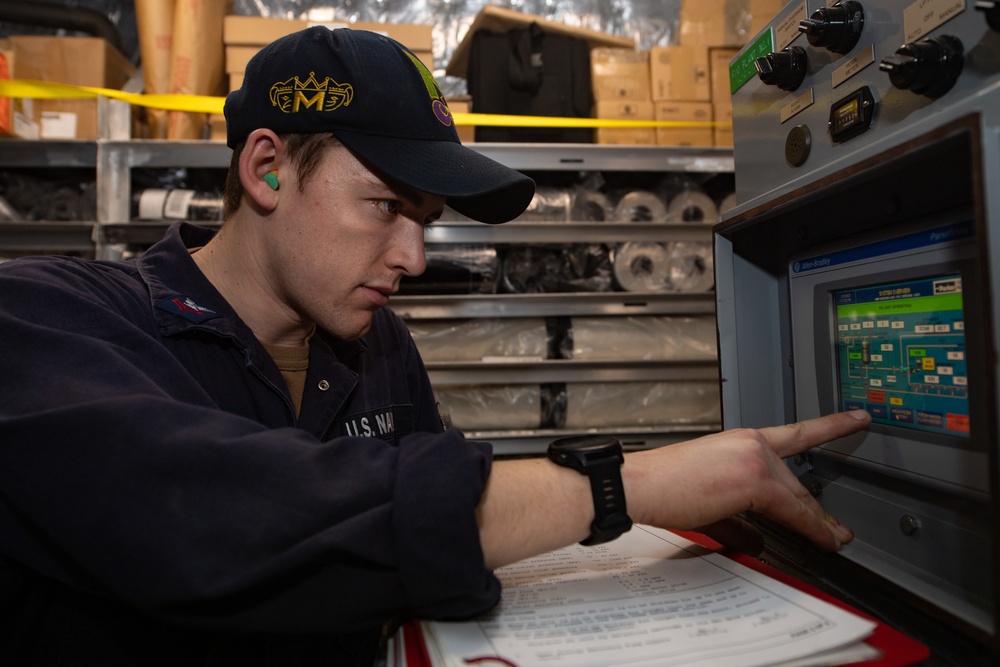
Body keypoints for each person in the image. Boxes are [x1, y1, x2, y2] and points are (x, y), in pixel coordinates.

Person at [0, 26, 870, 666]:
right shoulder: (48, 321)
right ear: (266, 169)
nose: (414, 259)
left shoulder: (375, 346)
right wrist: (622, 482)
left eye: (426, 222)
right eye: (385, 206)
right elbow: (218, 517)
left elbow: (415, 534)